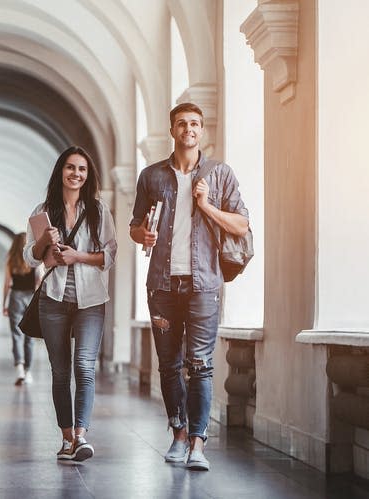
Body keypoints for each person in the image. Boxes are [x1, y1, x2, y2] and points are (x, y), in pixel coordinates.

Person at [129, 102, 249, 471]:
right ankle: (178, 436)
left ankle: (198, 443)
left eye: (195, 123)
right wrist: (141, 233)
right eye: (182, 123)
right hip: (162, 286)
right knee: (169, 365)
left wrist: (206, 205)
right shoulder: (151, 176)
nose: (189, 129)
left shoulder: (220, 174)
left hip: (204, 285)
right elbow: (134, 225)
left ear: (202, 130)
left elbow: (241, 225)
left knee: (200, 365)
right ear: (173, 130)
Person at [23, 146, 117, 462]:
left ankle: (81, 436)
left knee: (84, 366)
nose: (75, 174)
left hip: (91, 300)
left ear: (87, 175)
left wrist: (78, 256)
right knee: (60, 371)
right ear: (60, 171)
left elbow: (109, 255)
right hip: (53, 299)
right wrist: (43, 241)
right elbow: (30, 258)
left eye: (82, 169)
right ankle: (66, 439)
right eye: (70, 168)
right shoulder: (43, 210)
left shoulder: (99, 210)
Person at [2, 232, 40, 385]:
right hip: (31, 297)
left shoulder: (10, 259)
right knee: (29, 336)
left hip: (15, 298)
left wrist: (4, 304)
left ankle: (19, 368)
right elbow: (39, 281)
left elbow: (6, 284)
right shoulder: (34, 258)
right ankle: (28, 371)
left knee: (16, 335)